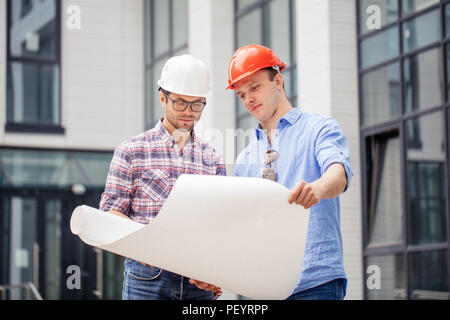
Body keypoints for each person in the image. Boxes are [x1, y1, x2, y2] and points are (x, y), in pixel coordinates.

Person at [228, 45, 353, 300]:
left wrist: (316, 189)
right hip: (265, 289)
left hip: (315, 283)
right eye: (241, 94)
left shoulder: (319, 129)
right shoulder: (244, 160)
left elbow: (338, 174)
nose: (248, 99)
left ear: (278, 81)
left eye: (254, 87)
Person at [100, 54, 225, 300]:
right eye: (180, 103)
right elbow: (110, 211)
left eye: (197, 104)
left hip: (198, 280)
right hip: (147, 277)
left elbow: (219, 224)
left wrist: (216, 271)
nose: (189, 112)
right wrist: (139, 243)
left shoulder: (213, 159)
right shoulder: (131, 151)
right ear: (162, 97)